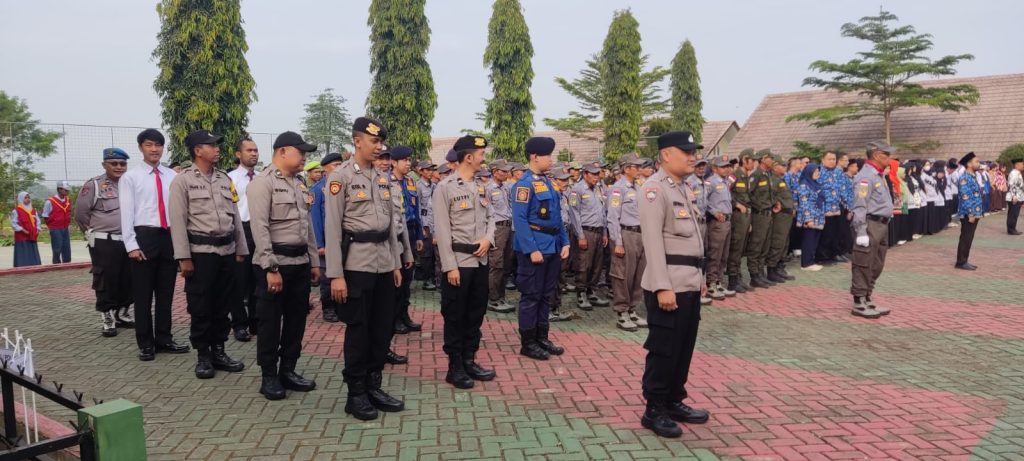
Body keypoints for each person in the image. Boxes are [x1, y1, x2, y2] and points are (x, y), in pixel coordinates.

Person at [325, 117, 404, 420]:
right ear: (358, 141)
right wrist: (336, 275)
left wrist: (395, 263)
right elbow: (332, 230)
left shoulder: (382, 177)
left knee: (382, 328)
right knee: (359, 330)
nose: (379, 147)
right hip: (356, 264)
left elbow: (390, 226)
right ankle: (355, 393)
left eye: (381, 142)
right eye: (374, 142)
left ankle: (374, 385)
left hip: (384, 263)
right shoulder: (341, 177)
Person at [637, 131, 710, 439]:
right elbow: (653, 243)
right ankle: (654, 408)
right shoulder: (654, 190)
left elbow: (693, 240)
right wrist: (661, 285)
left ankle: (673, 399)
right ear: (667, 155)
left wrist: (701, 279)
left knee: (683, 347)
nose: (692, 156)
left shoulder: (683, 187)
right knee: (664, 348)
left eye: (693, 151)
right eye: (686, 151)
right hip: (668, 285)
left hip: (689, 282)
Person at [168, 130, 249, 379]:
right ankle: (203, 355)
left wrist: (241, 249)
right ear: (197, 150)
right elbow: (178, 222)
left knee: (223, 304)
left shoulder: (225, 179)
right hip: (200, 253)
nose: (216, 149)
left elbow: (235, 216)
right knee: (201, 305)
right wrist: (184, 258)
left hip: (226, 251)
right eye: (211, 145)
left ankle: (219, 351)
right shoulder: (182, 181)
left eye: (217, 145)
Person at [247, 131, 320, 400]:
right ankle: (269, 375)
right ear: (282, 152)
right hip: (274, 264)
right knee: (269, 322)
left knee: (296, 320)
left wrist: (313, 260)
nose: (304, 157)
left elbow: (307, 226)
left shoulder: (299, 184)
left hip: (300, 263)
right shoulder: (262, 183)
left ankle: (288, 369)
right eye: (300, 152)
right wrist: (270, 268)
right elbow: (260, 228)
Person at [119, 129, 190, 361]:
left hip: (168, 237)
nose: (154, 149)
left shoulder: (173, 176)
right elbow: (127, 213)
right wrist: (131, 245)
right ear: (141, 148)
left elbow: (180, 212)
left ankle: (164, 338)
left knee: (166, 293)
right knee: (143, 295)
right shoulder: (131, 177)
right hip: (144, 237)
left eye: (158, 145)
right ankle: (146, 343)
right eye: (149, 145)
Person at [433, 135, 497, 388]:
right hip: (459, 262)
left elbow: (492, 216)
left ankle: (470, 359)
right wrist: (449, 266)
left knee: (475, 313)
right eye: (481, 154)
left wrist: (488, 239)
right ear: (468, 157)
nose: (484, 158)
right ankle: (455, 366)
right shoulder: (446, 187)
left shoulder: (481, 186)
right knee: (455, 315)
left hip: (480, 261)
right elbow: (441, 229)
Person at [510, 137, 569, 360]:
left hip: (552, 246)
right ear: (535, 156)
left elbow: (557, 217)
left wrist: (565, 241)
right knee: (531, 295)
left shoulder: (549, 183)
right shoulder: (523, 185)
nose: (551, 160)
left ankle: (541, 337)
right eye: (548, 156)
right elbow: (520, 219)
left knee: (546, 295)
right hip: (535, 247)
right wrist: (530, 248)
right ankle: (528, 342)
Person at [76, 148, 135, 337]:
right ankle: (107, 317)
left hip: (128, 240)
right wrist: (92, 234)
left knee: (129, 277)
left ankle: (122, 313)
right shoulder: (94, 185)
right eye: (114, 163)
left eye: (122, 164)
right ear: (104, 165)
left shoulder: (130, 183)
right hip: (104, 241)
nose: (119, 167)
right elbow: (81, 215)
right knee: (106, 279)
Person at [850, 141, 896, 319]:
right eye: (886, 155)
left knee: (877, 263)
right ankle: (859, 302)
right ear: (877, 155)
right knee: (863, 262)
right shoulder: (866, 177)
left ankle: (867, 296)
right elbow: (860, 205)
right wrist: (861, 231)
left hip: (882, 224)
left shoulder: (878, 174)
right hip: (870, 224)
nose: (889, 158)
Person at [607, 154, 649, 331]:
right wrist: (617, 241)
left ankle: (632, 309)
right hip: (626, 234)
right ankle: (622, 312)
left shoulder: (638, 186)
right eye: (636, 166)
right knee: (623, 275)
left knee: (639, 274)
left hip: (641, 235)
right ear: (626, 169)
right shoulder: (618, 189)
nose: (640, 169)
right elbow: (612, 217)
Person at [227, 137, 261, 341]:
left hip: (261, 231)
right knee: (239, 281)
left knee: (259, 279)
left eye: (256, 150)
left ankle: (257, 321)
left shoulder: (262, 178)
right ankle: (239, 323)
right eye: (249, 150)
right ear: (238, 154)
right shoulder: (230, 178)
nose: (254, 153)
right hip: (241, 230)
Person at [389, 146, 424, 335]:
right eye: (404, 160)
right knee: (398, 278)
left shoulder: (411, 182)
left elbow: (416, 210)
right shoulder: (387, 181)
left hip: (410, 231)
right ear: (394, 162)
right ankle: (394, 319)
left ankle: (404, 315)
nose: (408, 163)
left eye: (409, 159)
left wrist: (419, 235)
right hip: (395, 234)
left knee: (408, 277)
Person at [569, 164, 610, 310]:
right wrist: (580, 236)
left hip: (599, 231)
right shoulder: (577, 190)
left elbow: (603, 212)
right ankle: (581, 293)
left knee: (597, 264)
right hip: (585, 231)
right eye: (593, 174)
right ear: (585, 174)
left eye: (598, 174)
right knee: (584, 264)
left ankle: (591, 291)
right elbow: (574, 214)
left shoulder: (599, 189)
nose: (596, 176)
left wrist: (604, 232)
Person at [310, 152, 345, 323]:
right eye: (335, 165)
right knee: (326, 277)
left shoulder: (343, 185)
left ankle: (340, 306)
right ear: (325, 169)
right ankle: (328, 307)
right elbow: (315, 219)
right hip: (326, 241)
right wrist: (319, 244)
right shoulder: (317, 190)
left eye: (340, 164)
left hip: (343, 240)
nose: (339, 168)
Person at [486, 160, 516, 313]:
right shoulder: (488, 188)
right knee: (496, 265)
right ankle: (493, 299)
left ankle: (501, 296)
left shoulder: (505, 188)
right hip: (497, 228)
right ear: (495, 171)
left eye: (507, 171)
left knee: (505, 264)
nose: (506, 174)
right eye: (503, 171)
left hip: (508, 227)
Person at [704, 155, 735, 299]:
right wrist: (714, 212)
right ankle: (711, 284)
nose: (727, 168)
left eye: (728, 166)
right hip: (717, 222)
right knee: (715, 254)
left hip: (727, 221)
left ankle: (719, 282)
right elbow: (703, 200)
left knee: (724, 254)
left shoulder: (725, 181)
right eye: (723, 166)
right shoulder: (711, 182)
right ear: (714, 168)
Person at [745, 150, 776, 288]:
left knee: (765, 246)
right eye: (770, 158)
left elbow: (769, 194)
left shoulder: (767, 174)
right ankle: (754, 275)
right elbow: (749, 195)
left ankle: (761, 273)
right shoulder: (756, 175)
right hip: (759, 215)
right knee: (756, 246)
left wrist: (774, 203)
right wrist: (759, 207)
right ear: (763, 159)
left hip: (769, 214)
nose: (773, 160)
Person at [550, 169, 578, 321]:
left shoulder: (563, 195)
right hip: (554, 236)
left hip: (564, 233)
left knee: (561, 273)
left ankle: (555, 306)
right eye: (562, 179)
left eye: (567, 179)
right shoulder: (551, 196)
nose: (566, 182)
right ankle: (550, 308)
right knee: (554, 274)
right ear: (553, 179)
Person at [726, 149, 755, 293]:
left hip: (746, 217)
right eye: (752, 160)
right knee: (736, 248)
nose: (754, 163)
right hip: (737, 216)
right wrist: (736, 204)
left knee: (742, 248)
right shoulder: (734, 175)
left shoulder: (746, 176)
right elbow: (724, 192)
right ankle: (732, 280)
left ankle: (738, 277)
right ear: (745, 160)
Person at [766, 155, 796, 282]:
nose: (785, 167)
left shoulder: (780, 179)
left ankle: (779, 267)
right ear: (775, 166)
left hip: (787, 214)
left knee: (784, 243)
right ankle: (771, 270)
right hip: (780, 215)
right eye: (782, 165)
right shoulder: (772, 179)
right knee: (777, 242)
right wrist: (776, 204)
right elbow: (771, 196)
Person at [816, 151, 845, 263]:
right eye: (830, 159)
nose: (832, 161)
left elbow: (842, 188)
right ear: (823, 160)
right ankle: (822, 256)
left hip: (836, 207)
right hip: (824, 208)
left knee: (836, 232)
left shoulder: (838, 172)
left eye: (834, 159)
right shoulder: (818, 171)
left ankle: (834, 254)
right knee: (825, 234)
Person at [955, 152, 983, 270]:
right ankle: (961, 262)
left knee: (969, 237)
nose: (979, 164)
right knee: (966, 237)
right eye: (976, 162)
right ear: (969, 164)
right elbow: (966, 197)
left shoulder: (972, 176)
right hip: (968, 213)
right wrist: (971, 213)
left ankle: (964, 260)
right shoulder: (964, 178)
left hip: (974, 212)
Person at [795, 163, 826, 271]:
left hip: (818, 216)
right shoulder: (804, 185)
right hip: (810, 217)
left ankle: (811, 261)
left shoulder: (815, 183)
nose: (817, 173)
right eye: (815, 171)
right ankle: (806, 263)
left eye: (818, 171)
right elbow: (804, 203)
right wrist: (808, 219)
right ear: (809, 172)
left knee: (814, 240)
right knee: (808, 240)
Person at [415, 160, 439, 290]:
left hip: (434, 220)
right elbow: (417, 206)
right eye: (428, 170)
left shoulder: (434, 186)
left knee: (434, 252)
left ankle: (434, 277)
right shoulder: (418, 186)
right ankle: (426, 278)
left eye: (432, 170)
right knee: (426, 252)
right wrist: (421, 227)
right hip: (424, 221)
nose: (430, 172)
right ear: (421, 171)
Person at [42, 180, 73, 264]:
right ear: (59, 189)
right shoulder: (50, 201)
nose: (67, 191)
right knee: (57, 247)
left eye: (67, 190)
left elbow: (69, 212)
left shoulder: (68, 200)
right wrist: (52, 226)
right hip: (55, 228)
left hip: (65, 227)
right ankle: (56, 264)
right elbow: (45, 215)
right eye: (65, 190)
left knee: (66, 247)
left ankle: (67, 263)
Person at [11, 191, 42, 267]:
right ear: (21, 199)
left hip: (32, 235)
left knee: (32, 250)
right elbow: (14, 223)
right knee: (23, 251)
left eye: (29, 197)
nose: (28, 199)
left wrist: (37, 229)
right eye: (25, 198)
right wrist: (23, 230)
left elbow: (38, 221)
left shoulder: (33, 210)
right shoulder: (16, 211)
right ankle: (22, 266)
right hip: (22, 236)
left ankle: (34, 265)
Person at [1006, 158, 1024, 235]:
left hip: (1018, 196)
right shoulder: (1014, 173)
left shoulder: (1018, 173)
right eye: (1022, 164)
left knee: (1014, 214)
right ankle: (1011, 229)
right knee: (1013, 214)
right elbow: (1012, 185)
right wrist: (1014, 196)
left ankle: (1012, 228)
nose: (1023, 166)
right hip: (1014, 197)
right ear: (1017, 165)